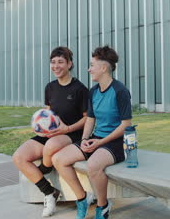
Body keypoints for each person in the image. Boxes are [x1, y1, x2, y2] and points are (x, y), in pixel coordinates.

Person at [52, 46, 132, 219]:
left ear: (103, 68)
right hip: (97, 138)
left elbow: (126, 125)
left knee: (93, 166)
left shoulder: (120, 91)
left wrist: (100, 143)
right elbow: (90, 119)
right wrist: (85, 139)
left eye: (92, 65)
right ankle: (82, 198)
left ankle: (102, 206)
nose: (89, 69)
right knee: (58, 159)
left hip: (118, 141)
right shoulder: (94, 91)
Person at [12, 46, 89, 217]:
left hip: (71, 134)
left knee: (52, 145)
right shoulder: (50, 87)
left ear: (70, 64)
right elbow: (48, 113)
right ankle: (49, 192)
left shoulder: (80, 89)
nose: (56, 66)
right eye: (53, 62)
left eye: (61, 62)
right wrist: (40, 126)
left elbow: (87, 118)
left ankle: (44, 168)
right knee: (19, 157)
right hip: (52, 134)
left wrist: (67, 128)